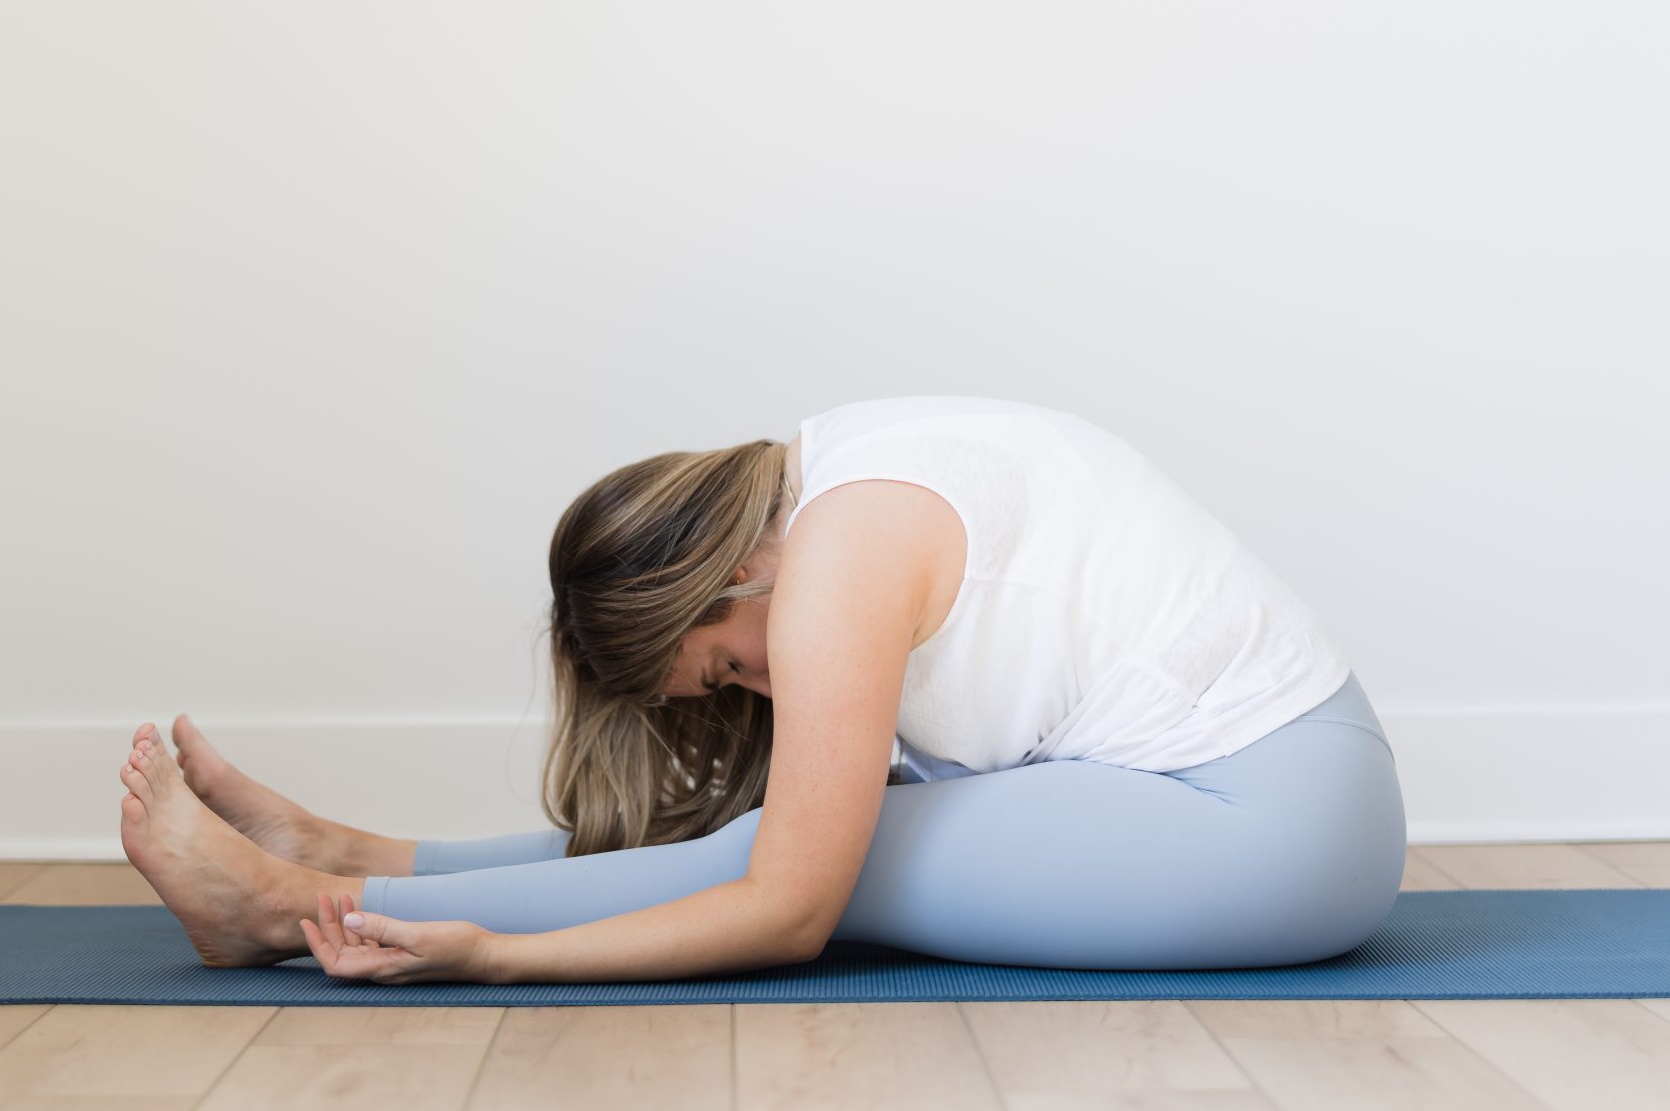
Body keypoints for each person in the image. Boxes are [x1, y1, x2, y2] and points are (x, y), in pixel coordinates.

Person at [115, 393, 1406, 985]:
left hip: (1267, 828)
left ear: (731, 573)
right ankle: (359, 855)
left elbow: (787, 913)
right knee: (775, 833)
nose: (754, 688)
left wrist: (498, 960)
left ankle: (300, 911)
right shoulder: (830, 470)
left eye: (730, 663)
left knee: (799, 857)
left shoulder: (847, 556)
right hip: (1253, 796)